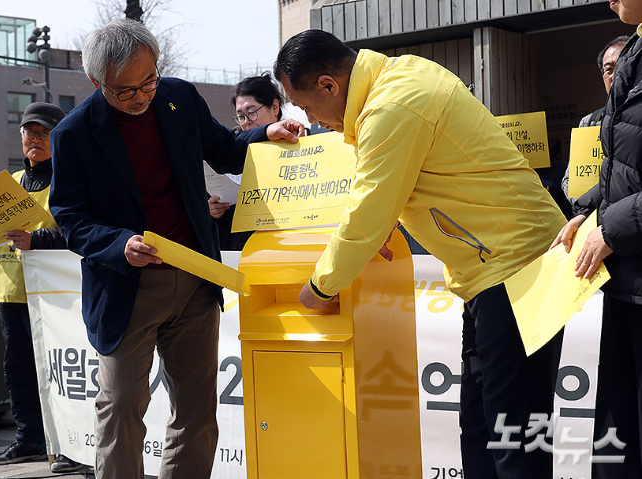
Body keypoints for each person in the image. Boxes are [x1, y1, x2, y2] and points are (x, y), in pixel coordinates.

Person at [275, 30, 566, 479]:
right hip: (492, 269)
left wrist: (320, 287)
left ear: (329, 85)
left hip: (516, 268)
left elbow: (367, 212)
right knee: (481, 428)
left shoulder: (391, 105)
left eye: (307, 107)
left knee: (512, 433)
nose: (312, 120)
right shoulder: (399, 77)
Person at [48, 19, 302, 479]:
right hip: (126, 287)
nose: (141, 96)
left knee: (197, 409)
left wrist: (265, 135)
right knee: (121, 406)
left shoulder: (179, 97)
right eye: (126, 90)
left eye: (149, 81)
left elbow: (224, 149)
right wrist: (119, 243)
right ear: (96, 82)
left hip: (196, 277)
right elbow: (70, 217)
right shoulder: (73, 133)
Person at [0, 102, 83, 473]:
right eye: (30, 132)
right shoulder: (8, 184)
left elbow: (78, 232)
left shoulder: (70, 179)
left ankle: (72, 444)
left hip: (55, 294)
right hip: (11, 290)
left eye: (44, 133)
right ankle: (30, 438)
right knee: (18, 369)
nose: (35, 139)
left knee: (60, 371)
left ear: (59, 137)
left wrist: (38, 239)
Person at [551, 2, 642, 477]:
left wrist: (610, 228)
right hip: (626, 277)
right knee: (617, 427)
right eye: (605, 68)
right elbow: (621, 171)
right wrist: (587, 212)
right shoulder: (636, 55)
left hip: (630, 259)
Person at [208, 72, 310, 250]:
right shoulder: (230, 152)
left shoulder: (300, 148)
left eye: (252, 112)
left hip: (285, 245)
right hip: (238, 249)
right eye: (241, 116)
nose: (246, 122)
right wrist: (212, 211)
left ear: (275, 107)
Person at [561, 35, 628, 204]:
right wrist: (586, 206)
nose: (615, 75)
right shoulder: (590, 122)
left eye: (623, 65)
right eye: (608, 70)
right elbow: (570, 181)